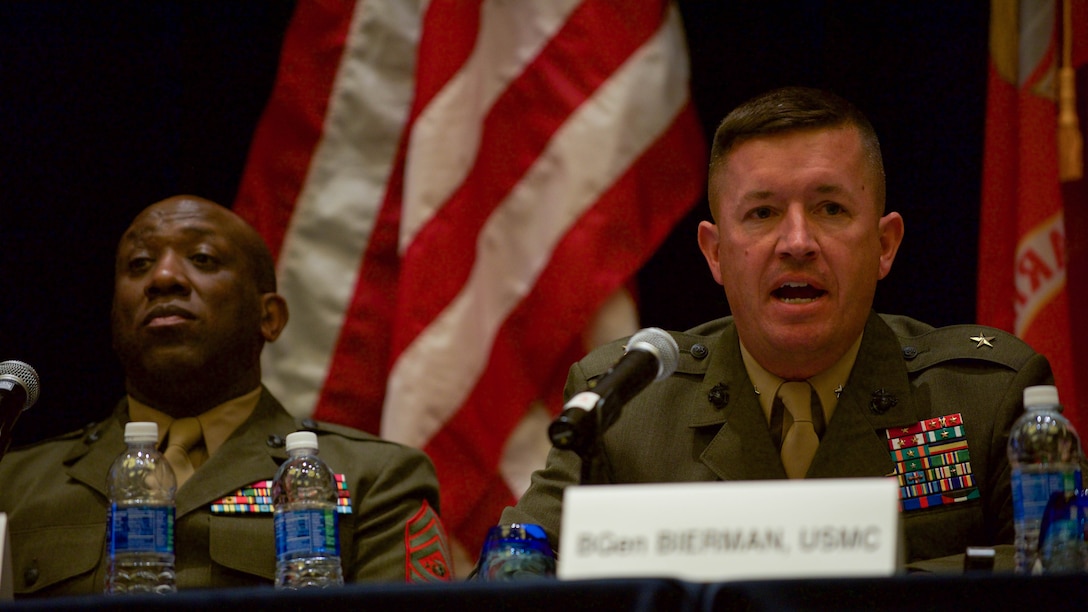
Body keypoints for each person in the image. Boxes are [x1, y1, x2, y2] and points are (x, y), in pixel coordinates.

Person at [499, 87, 1053, 571]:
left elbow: (1062, 577)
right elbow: (514, 571)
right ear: (715, 254)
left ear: (884, 245)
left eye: (830, 209)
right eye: (762, 213)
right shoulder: (628, 408)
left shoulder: (985, 396)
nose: (796, 242)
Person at [0, 195, 452, 597]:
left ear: (269, 316)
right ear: (114, 319)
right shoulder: (16, 481)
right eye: (139, 264)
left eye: (202, 257)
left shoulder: (374, 478)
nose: (163, 277)